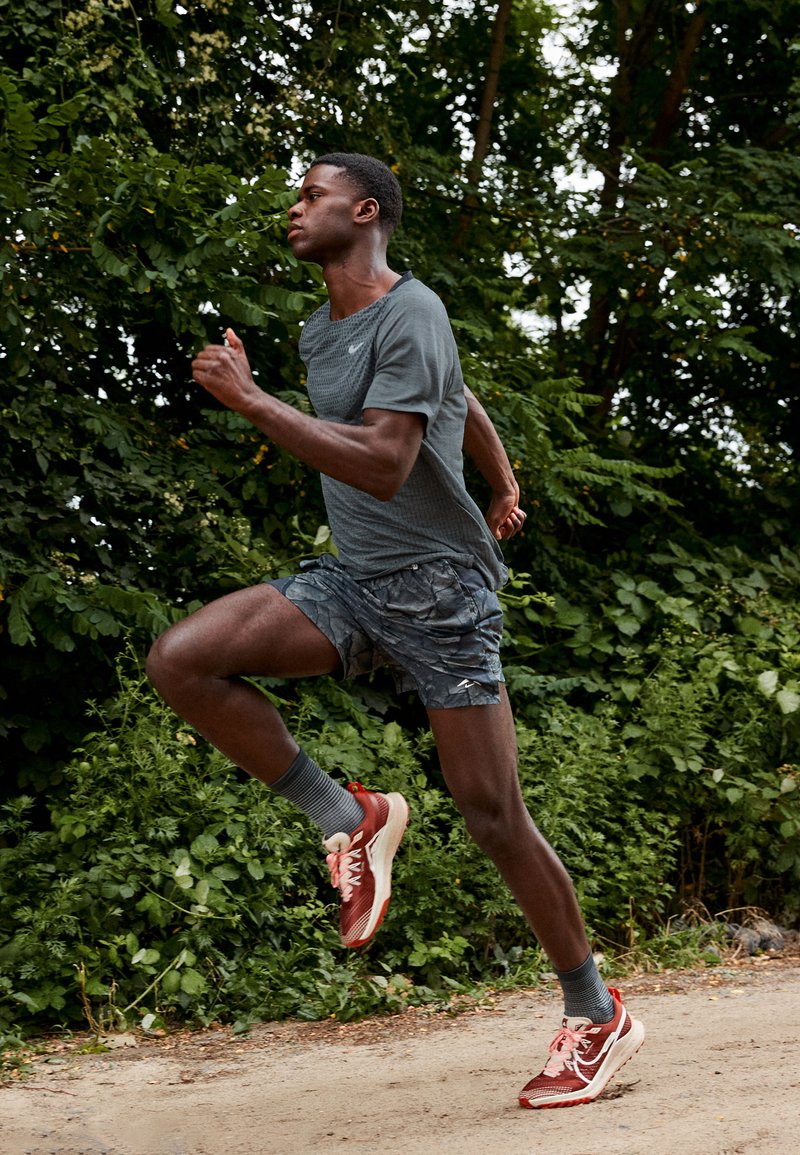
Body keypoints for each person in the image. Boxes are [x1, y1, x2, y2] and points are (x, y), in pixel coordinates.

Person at [146, 152, 644, 1108]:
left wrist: (251, 401)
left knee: (493, 815)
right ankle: (351, 816)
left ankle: (596, 1012)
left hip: (443, 593)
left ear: (366, 210)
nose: (294, 208)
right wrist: (502, 478)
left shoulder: (413, 309)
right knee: (184, 658)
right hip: (356, 582)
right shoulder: (322, 327)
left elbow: (383, 461)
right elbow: (459, 395)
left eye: (313, 195)